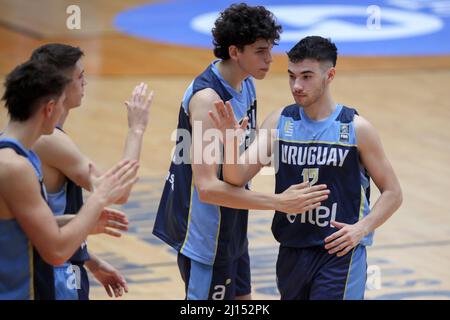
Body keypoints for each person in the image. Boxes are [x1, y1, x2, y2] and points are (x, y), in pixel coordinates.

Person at [152, 4, 329, 300]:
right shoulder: (208, 100)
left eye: (270, 49)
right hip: (205, 232)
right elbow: (207, 188)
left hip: (232, 224)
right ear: (235, 52)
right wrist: (279, 202)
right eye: (260, 51)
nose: (270, 59)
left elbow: (238, 165)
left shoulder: (245, 83)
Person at [209, 36, 403, 300]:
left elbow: (393, 192)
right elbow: (236, 176)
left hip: (339, 254)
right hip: (291, 251)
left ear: (329, 75)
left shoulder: (356, 128)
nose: (297, 86)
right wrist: (231, 141)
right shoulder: (279, 121)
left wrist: (362, 228)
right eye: (291, 76)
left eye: (307, 76)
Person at [0, 60, 138, 300]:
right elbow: (55, 250)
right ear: (49, 107)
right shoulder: (15, 167)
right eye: (62, 103)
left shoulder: (16, 157)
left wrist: (79, 227)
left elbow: (24, 230)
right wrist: (98, 199)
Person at [30, 43, 153, 299]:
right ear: (61, 87)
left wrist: (89, 260)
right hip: (52, 278)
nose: (85, 83)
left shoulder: (41, 135)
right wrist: (136, 129)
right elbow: (119, 192)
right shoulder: (50, 140)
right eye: (80, 77)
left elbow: (50, 219)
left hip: (57, 266)